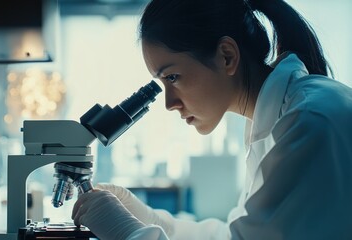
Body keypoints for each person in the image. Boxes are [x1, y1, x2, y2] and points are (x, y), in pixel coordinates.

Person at [71, 0, 352, 239]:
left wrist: (127, 232)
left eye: (173, 77)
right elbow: (239, 234)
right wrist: (151, 220)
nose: (169, 104)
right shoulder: (276, 118)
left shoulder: (310, 121)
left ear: (226, 56)